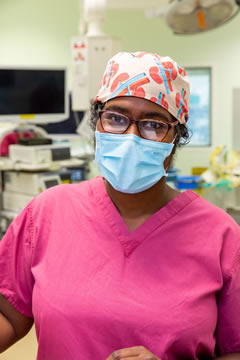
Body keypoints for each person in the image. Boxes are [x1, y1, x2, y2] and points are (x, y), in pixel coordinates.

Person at [0, 51, 240, 360]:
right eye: (116, 117)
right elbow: (8, 314)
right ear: (97, 123)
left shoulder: (221, 235)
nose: (130, 136)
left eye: (153, 124)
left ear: (175, 138)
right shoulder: (48, 212)